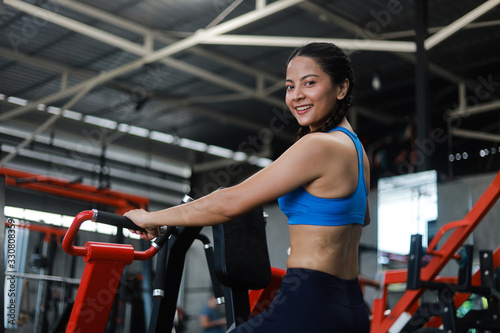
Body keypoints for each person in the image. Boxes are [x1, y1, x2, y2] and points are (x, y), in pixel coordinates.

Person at [125, 42, 371, 332]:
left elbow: (229, 203)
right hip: (350, 309)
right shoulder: (357, 152)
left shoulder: (318, 145)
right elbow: (361, 218)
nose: (297, 96)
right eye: (290, 87)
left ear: (341, 88)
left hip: (307, 305)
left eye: (310, 83)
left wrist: (151, 218)